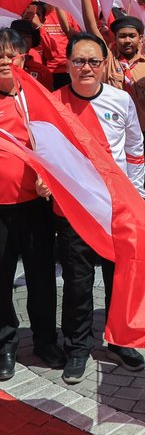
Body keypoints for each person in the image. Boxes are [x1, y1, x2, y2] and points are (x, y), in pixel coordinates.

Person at [45, 31, 145, 384]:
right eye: (78, 61)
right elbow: (43, 154)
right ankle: (76, 348)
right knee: (76, 283)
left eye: (92, 61)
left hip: (117, 209)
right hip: (75, 213)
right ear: (67, 65)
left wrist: (138, 196)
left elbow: (135, 150)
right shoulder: (52, 104)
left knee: (120, 280)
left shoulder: (121, 101)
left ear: (105, 65)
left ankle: (121, 340)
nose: (85, 68)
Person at [0, 28, 62, 381]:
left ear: (24, 58)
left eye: (12, 55)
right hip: (0, 210)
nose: (5, 62)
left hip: (35, 207)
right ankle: (5, 343)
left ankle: (45, 341)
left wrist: (46, 175)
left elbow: (54, 149)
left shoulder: (39, 98)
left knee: (41, 278)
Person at [81, 0, 145, 211]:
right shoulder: (106, 61)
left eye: (132, 36)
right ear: (113, 38)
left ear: (141, 38)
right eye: (122, 36)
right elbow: (91, 27)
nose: (127, 40)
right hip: (116, 136)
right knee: (118, 189)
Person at [10, 20, 53, 91]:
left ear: (33, 40)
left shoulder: (42, 71)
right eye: (18, 35)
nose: (22, 39)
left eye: (27, 36)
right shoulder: (4, 67)